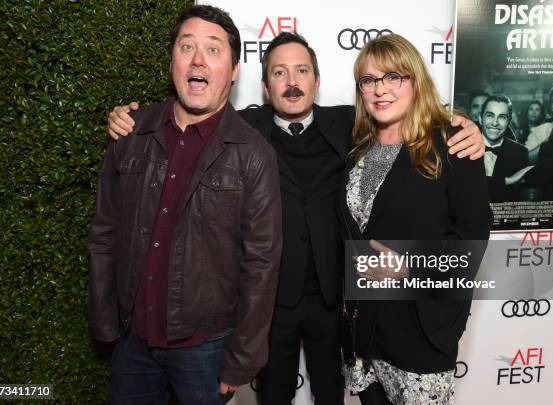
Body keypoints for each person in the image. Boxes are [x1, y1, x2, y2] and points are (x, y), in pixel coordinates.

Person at [107, 31, 485, 405]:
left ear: (317, 81)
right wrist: (131, 118)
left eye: (302, 71)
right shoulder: (243, 131)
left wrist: (466, 126)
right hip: (283, 304)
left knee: (331, 395)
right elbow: (194, 113)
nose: (291, 82)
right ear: (264, 86)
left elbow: (468, 232)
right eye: (279, 73)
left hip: (346, 304)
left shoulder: (350, 127)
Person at [88, 5, 283, 404]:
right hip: (132, 343)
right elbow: (104, 232)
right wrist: (106, 320)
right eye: (186, 46)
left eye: (213, 49)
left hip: (206, 351)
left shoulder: (254, 154)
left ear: (233, 70)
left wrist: (241, 358)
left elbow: (261, 264)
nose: (198, 59)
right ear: (172, 61)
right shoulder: (130, 132)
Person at [339, 33, 491, 405]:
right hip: (363, 331)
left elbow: (472, 238)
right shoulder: (358, 146)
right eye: (369, 80)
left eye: (394, 77)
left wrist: (411, 267)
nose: (380, 89)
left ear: (415, 81)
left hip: (420, 330)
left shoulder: (452, 143)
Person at [479, 95, 530, 202]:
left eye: (502, 117)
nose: (495, 122)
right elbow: (466, 183)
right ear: (480, 119)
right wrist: (506, 181)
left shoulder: (520, 153)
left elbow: (513, 197)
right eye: (490, 115)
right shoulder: (464, 145)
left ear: (509, 121)